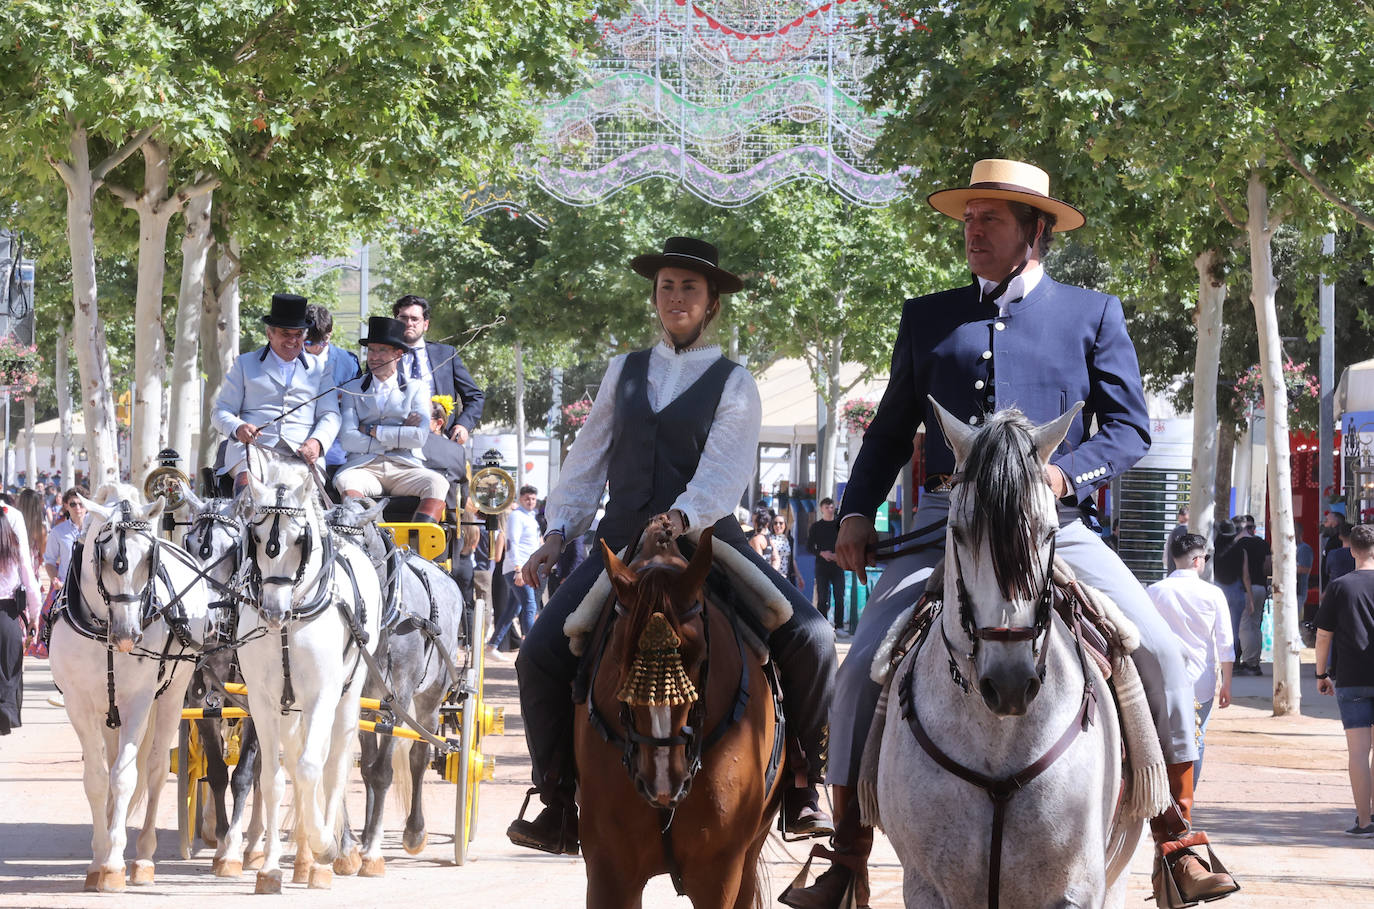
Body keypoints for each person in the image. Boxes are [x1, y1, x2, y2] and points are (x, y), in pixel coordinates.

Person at [790, 160, 1237, 908]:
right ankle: (848, 849)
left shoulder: (1092, 313)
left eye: (990, 219)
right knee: (863, 655)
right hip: (947, 522)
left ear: (1035, 231)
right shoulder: (927, 317)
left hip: (1049, 524)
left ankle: (1177, 833)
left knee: (1157, 648)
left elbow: (1128, 429)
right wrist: (856, 512)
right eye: (967, 219)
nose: (972, 232)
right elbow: (890, 431)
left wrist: (1068, 474)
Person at [506, 237, 836, 856]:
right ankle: (556, 801)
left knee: (814, 638)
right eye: (667, 286)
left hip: (709, 540)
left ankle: (801, 786)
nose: (676, 296)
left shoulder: (735, 383)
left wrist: (682, 516)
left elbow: (723, 470)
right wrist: (557, 533)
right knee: (538, 656)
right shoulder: (621, 372)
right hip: (622, 545)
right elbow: (587, 462)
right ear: (655, 297)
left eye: (689, 287)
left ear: (712, 303)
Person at [211, 293, 340, 491]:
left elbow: (331, 415)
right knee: (249, 486)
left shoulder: (320, 368)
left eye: (298, 335)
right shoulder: (245, 364)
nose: (292, 340)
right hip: (254, 449)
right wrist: (238, 427)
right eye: (285, 334)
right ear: (270, 334)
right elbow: (220, 411)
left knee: (307, 498)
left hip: (301, 452)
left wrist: (317, 441)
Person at [333, 316, 451, 523]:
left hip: (405, 467)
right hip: (364, 467)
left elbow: (419, 437)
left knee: (438, 483)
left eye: (382, 351)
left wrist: (371, 429)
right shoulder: (352, 389)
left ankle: (419, 543)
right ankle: (365, 538)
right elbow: (348, 440)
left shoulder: (417, 388)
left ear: (398, 354)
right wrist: (399, 434)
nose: (374, 357)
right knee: (345, 480)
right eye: (371, 350)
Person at [1147, 533, 1234, 784]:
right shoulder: (1213, 594)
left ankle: (1163, 798)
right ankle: (1186, 802)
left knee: (1160, 739)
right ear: (1197, 560)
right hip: (1200, 680)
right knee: (1196, 741)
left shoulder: (1155, 592)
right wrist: (1226, 682)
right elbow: (1225, 642)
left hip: (1161, 678)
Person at [1314, 523, 1374, 837]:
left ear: (1351, 550)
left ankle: (1364, 821)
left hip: (1351, 678)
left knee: (1358, 753)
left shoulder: (1339, 586)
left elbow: (1324, 635)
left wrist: (1321, 673)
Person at [391, 295, 485, 443]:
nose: (409, 323)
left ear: (426, 324)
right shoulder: (384, 357)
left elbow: (475, 397)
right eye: (403, 318)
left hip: (442, 438)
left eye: (415, 319)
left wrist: (463, 426)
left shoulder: (446, 355)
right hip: (398, 439)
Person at [304, 303, 362, 489]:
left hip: (336, 444)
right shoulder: (288, 356)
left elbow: (356, 408)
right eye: (307, 343)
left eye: (320, 343)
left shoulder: (348, 362)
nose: (313, 349)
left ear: (329, 334)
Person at [0, 502, 42, 734]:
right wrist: (34, 615)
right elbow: (26, 568)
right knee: (7, 678)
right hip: (6, 615)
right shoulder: (13, 516)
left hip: (7, 610)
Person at [488, 485, 542, 660]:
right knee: (530, 604)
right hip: (517, 568)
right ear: (520, 499)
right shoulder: (517, 516)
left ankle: (492, 645)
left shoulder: (531, 517)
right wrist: (518, 569)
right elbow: (512, 543)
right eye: (527, 498)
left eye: (533, 498)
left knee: (513, 608)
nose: (530, 501)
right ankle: (531, 647)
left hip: (526, 567)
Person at [36, 488, 87, 658]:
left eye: (81, 503)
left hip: (93, 587)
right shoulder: (58, 532)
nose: (77, 508)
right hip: (66, 587)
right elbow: (49, 561)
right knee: (48, 617)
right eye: (73, 504)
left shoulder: (98, 529)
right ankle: (49, 650)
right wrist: (54, 579)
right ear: (66, 506)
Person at [1213, 520, 1261, 677]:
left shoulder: (1213, 551)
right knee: (1234, 629)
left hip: (1218, 589)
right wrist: (1251, 598)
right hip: (1236, 591)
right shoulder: (1241, 551)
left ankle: (1216, 661)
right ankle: (1231, 663)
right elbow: (1246, 576)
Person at [808, 497, 847, 634]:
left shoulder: (839, 526)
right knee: (822, 596)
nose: (830, 510)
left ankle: (839, 626)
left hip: (838, 565)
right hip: (822, 566)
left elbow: (845, 543)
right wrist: (821, 553)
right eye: (827, 507)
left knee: (839, 596)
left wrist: (838, 555)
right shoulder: (816, 527)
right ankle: (822, 625)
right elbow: (809, 547)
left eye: (831, 507)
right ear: (822, 509)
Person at [769, 513, 805, 591]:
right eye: (775, 523)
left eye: (781, 523)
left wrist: (799, 576)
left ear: (785, 525)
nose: (778, 525)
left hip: (786, 577)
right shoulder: (769, 539)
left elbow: (791, 559)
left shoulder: (789, 539)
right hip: (773, 576)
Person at [1163, 505, 1189, 572]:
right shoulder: (1193, 533)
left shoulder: (1172, 533)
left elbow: (1165, 559)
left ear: (1179, 518)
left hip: (1172, 574)